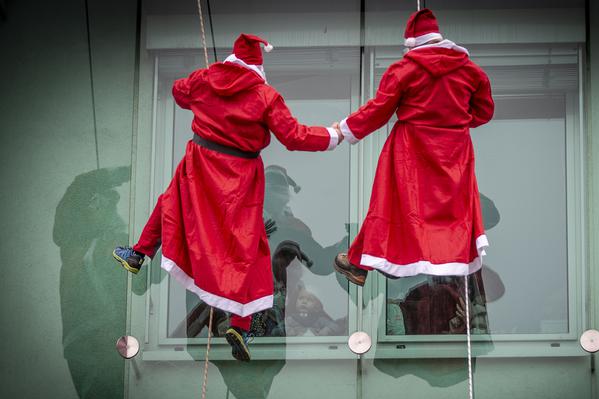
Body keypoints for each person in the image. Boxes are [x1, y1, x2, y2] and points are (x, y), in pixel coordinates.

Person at [113, 33, 342, 361]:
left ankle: (138, 252)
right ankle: (241, 323)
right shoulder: (265, 95)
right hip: (239, 180)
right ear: (259, 67)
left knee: (172, 203)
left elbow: (179, 93)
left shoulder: (204, 80)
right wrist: (332, 135)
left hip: (201, 163)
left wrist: (203, 82)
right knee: (247, 250)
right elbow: (293, 136)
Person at [331, 8, 494, 285]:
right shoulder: (471, 72)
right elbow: (484, 111)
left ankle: (366, 261)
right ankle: (449, 262)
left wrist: (343, 130)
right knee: (453, 212)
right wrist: (454, 125)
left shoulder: (403, 70)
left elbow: (379, 110)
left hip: (410, 148)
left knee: (392, 205)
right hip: (454, 150)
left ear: (411, 43)